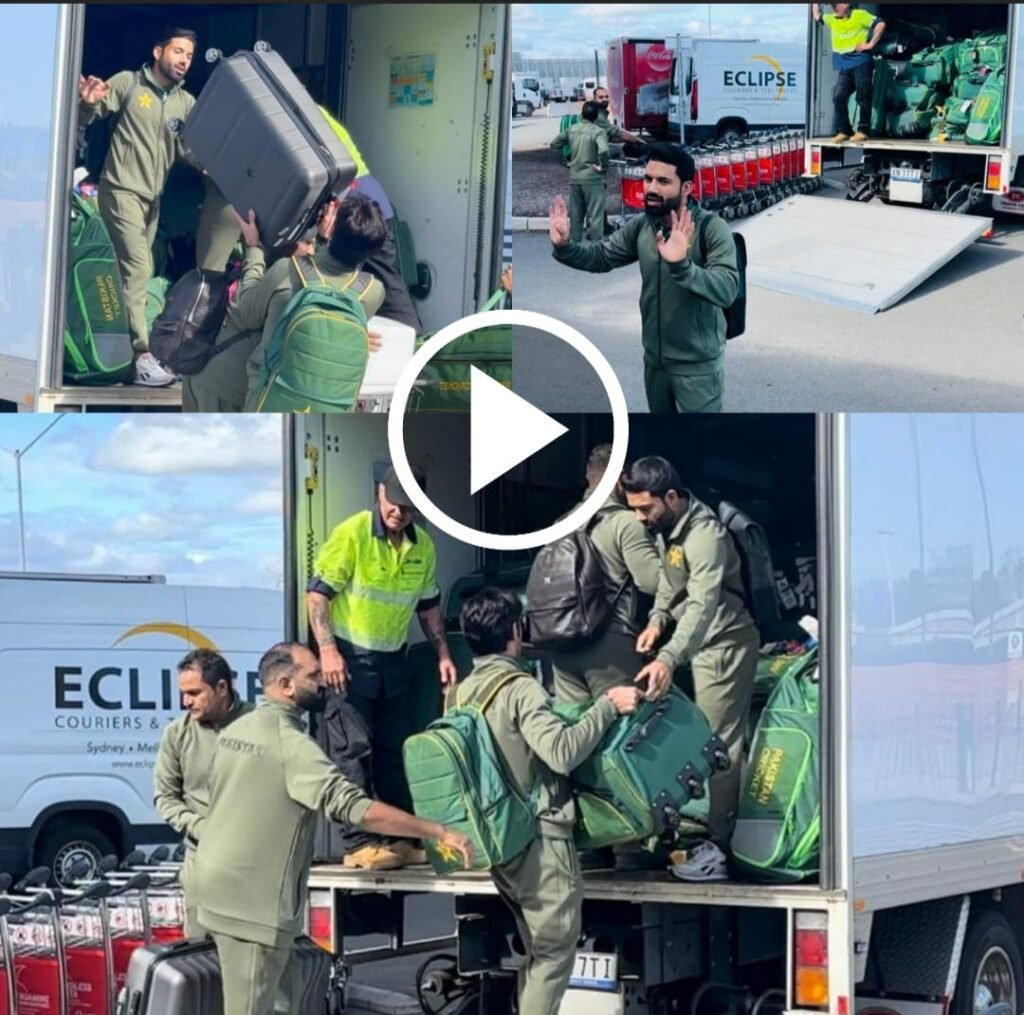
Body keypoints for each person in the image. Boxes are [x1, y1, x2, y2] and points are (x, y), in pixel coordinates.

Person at [192, 642, 471, 1015]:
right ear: (287, 685)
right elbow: (355, 808)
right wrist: (437, 831)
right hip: (253, 909)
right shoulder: (290, 744)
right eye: (314, 674)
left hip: (218, 892)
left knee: (286, 1002)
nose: (325, 681)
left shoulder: (235, 731)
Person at [456, 588, 641, 1015]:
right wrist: (606, 706)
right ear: (515, 632)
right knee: (555, 955)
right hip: (540, 838)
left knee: (538, 953)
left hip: (498, 837)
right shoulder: (520, 688)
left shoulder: (462, 692)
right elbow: (560, 752)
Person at [306, 464, 458, 870]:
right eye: (394, 503)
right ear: (380, 493)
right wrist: (328, 651)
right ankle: (359, 843)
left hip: (394, 660)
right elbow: (318, 598)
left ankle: (397, 838)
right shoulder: (353, 533)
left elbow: (428, 606)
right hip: (349, 660)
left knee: (394, 751)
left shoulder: (423, 546)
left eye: (409, 508)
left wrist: (442, 652)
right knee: (353, 751)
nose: (399, 513)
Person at [621, 457, 759, 883]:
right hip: (694, 645)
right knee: (698, 740)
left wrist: (668, 657)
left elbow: (701, 603)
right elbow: (670, 580)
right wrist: (657, 619)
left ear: (672, 497)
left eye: (645, 509)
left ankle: (720, 847)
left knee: (720, 746)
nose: (640, 518)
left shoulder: (706, 536)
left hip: (723, 643)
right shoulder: (670, 531)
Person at [549, 142, 738, 414]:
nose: (650, 188)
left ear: (686, 188)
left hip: (697, 368)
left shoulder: (711, 228)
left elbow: (726, 289)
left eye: (663, 181)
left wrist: (682, 265)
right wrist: (565, 246)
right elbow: (602, 256)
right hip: (655, 363)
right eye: (648, 178)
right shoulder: (642, 226)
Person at [181, 193, 388, 413]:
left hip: (264, 397)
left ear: (335, 229)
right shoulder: (372, 292)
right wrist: (324, 242)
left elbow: (246, 311)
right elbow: (330, 284)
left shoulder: (286, 271)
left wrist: (254, 249)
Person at [78, 28, 200, 386]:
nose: (183, 60)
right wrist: (86, 101)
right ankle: (140, 354)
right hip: (119, 191)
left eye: (189, 56)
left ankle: (111, 349)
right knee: (138, 266)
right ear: (158, 50)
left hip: (152, 199)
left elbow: (190, 152)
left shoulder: (186, 104)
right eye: (178, 51)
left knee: (132, 273)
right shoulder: (129, 83)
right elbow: (88, 116)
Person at [152, 649, 253, 937]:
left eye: (195, 692)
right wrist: (199, 826)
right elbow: (165, 796)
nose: (186, 701)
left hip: (255, 860)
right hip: (203, 858)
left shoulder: (260, 726)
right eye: (183, 693)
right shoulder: (177, 733)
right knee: (199, 954)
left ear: (222, 688)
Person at [551, 443, 660, 706]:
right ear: (621, 479)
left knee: (578, 731)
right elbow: (653, 583)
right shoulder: (625, 523)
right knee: (623, 733)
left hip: (562, 646)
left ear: (589, 478)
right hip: (610, 646)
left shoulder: (559, 525)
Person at [813, 3, 887, 143]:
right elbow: (817, 15)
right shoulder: (832, 19)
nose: (833, 8)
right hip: (844, 66)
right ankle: (844, 130)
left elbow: (880, 24)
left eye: (836, 5)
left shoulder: (860, 15)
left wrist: (870, 44)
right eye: (832, 5)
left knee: (863, 96)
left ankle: (863, 131)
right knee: (838, 96)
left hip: (861, 62)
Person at [549, 100, 609, 242]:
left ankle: (575, 246)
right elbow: (604, 150)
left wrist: (567, 160)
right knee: (595, 215)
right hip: (593, 179)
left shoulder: (572, 129)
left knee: (576, 216)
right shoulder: (599, 132)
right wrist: (603, 166)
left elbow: (554, 144)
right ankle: (595, 248)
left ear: (582, 114)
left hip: (575, 177)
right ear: (596, 116)